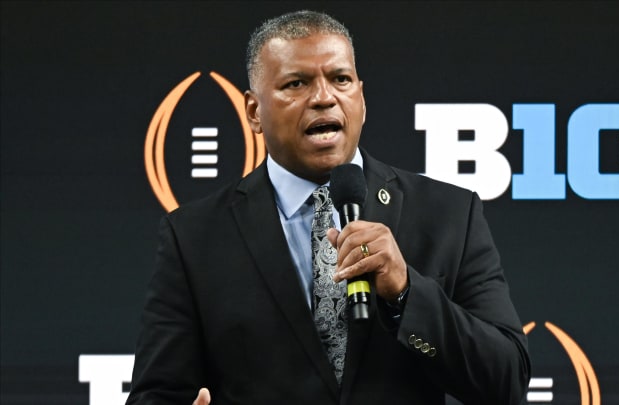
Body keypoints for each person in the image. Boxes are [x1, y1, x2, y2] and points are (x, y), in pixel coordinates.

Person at [126, 10, 530, 405]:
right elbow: (156, 392)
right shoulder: (194, 236)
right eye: (296, 83)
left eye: (340, 79)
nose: (324, 98)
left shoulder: (449, 213)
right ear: (253, 112)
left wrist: (407, 292)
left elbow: (507, 380)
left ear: (361, 96)